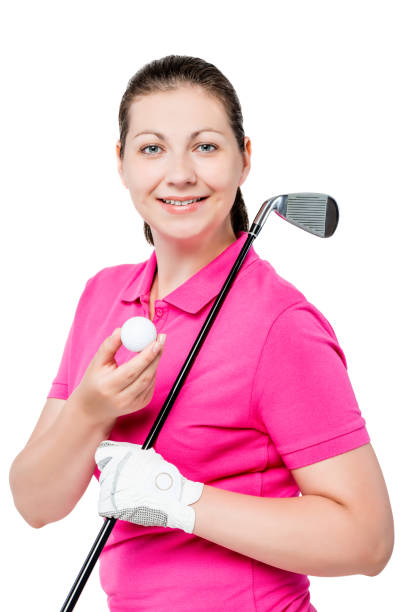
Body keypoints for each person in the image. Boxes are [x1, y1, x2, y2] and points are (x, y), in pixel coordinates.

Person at [9, 55, 394, 611]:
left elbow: (369, 540)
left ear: (245, 160)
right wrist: (88, 412)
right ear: (121, 164)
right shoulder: (103, 296)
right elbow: (34, 504)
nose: (180, 173)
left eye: (206, 146)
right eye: (152, 148)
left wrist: (182, 500)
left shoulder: (278, 323)